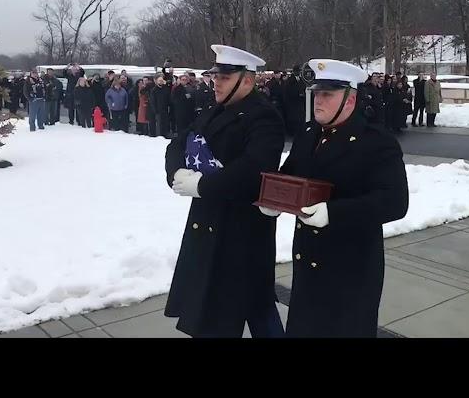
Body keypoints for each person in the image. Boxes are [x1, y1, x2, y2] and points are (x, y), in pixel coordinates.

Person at [259, 59, 409, 337]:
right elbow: (292, 173)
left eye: (327, 94)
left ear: (350, 99)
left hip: (350, 270)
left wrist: (335, 213)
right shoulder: (308, 133)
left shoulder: (376, 141)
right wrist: (274, 199)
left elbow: (395, 202)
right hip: (308, 261)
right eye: (316, 93)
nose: (318, 100)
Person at [164, 44, 285, 338]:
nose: (215, 82)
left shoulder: (263, 117)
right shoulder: (213, 110)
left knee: (240, 306)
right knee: (232, 307)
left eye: (224, 77)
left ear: (247, 80)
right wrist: (176, 172)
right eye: (215, 75)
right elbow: (179, 143)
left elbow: (253, 168)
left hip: (240, 231)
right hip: (208, 222)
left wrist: (203, 185)